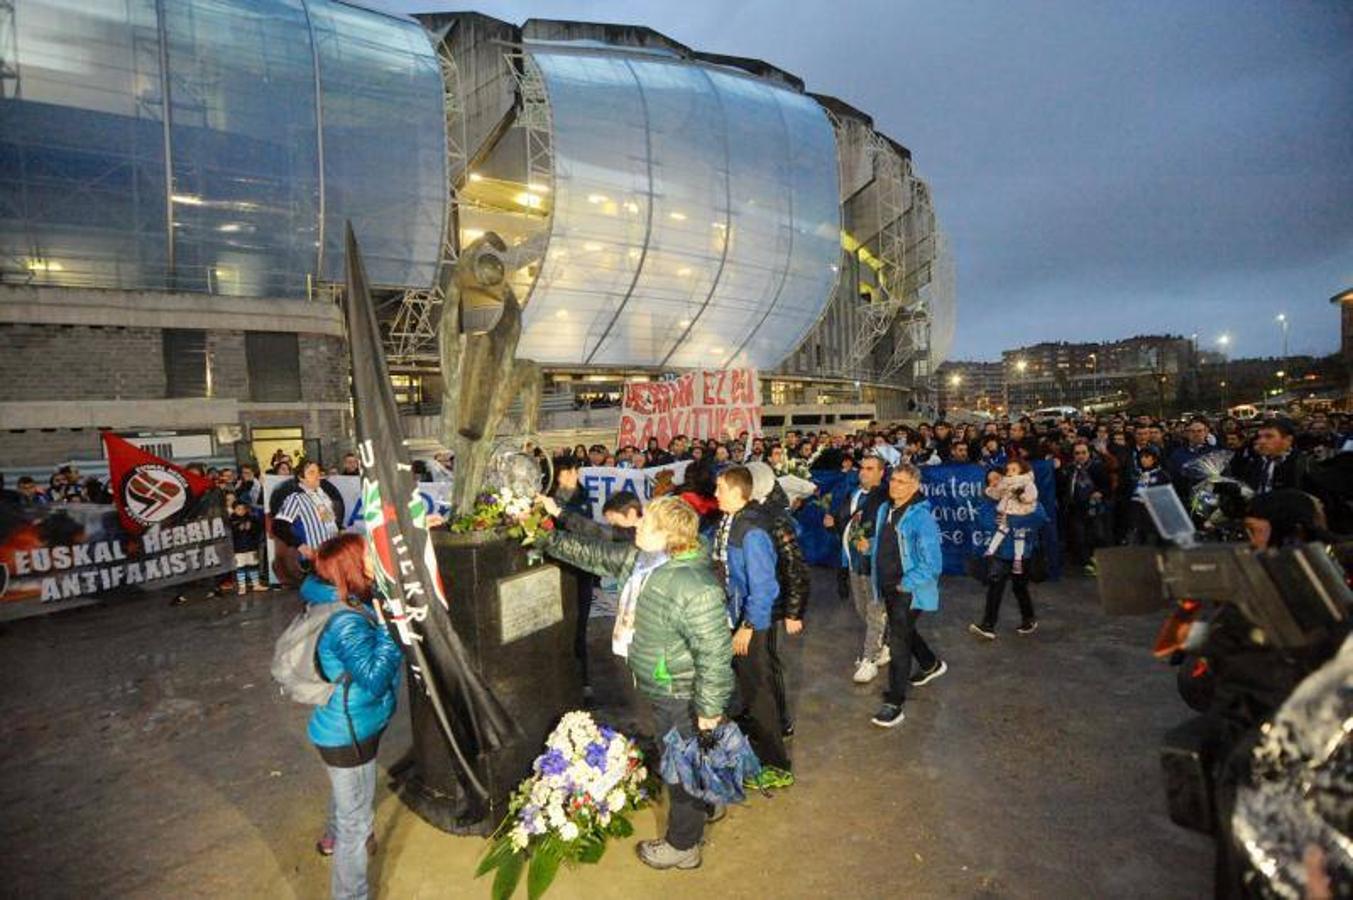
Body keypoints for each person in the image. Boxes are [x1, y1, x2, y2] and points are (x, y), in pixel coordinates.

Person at [534, 496, 733, 871]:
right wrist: (543, 536)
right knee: (688, 757)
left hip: (680, 690)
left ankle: (683, 845)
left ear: (666, 535)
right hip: (661, 683)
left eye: (646, 522)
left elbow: (715, 655)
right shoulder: (646, 561)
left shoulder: (694, 584)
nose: (637, 524)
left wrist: (709, 709)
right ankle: (707, 803)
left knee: (680, 767)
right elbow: (593, 552)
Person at [301, 533, 402, 899]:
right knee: (356, 826)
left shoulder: (343, 597)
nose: (375, 559)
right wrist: (391, 627)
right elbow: (374, 679)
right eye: (368, 555)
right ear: (351, 567)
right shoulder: (347, 621)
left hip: (353, 724)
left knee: (349, 803)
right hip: (348, 733)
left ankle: (333, 835)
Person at [712, 466, 791, 771]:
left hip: (750, 624)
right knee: (747, 688)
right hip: (734, 617)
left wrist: (747, 627)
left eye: (720, 488)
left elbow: (764, 587)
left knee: (758, 691)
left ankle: (776, 764)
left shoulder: (753, 531)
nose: (715, 494)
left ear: (736, 492)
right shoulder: (729, 522)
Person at [868, 462, 946, 728]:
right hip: (889, 586)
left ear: (915, 486)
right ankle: (930, 663)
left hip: (908, 590)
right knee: (905, 631)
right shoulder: (885, 509)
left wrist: (907, 582)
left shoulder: (921, 517)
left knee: (898, 641)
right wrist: (870, 549)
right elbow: (885, 543)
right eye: (893, 480)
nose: (894, 485)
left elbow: (933, 562)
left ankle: (894, 702)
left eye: (901, 482)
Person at [746, 462, 809, 738]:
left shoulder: (775, 518)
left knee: (767, 662)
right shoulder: (747, 513)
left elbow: (794, 566)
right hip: (750, 599)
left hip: (769, 602)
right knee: (752, 663)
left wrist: (793, 611)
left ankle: (780, 720)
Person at [824, 453, 891, 684]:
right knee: (863, 609)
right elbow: (846, 522)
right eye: (862, 467)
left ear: (882, 473)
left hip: (872, 565)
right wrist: (833, 522)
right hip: (852, 562)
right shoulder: (853, 494)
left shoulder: (885, 498)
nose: (864, 471)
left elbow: (889, 532)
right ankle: (882, 645)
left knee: (873, 610)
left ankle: (869, 658)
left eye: (870, 468)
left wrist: (872, 546)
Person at [971, 469, 1049, 639]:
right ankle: (988, 626)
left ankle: (1028, 619)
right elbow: (985, 523)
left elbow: (1040, 519)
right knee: (995, 587)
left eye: (997, 478)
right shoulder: (989, 502)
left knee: (1019, 587)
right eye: (990, 480)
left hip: (1022, 552)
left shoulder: (1025, 496)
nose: (994, 482)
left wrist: (1013, 520)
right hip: (1001, 553)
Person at [273, 458, 345, 587]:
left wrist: (339, 530)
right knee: (321, 596)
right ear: (301, 478)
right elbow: (278, 526)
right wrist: (300, 546)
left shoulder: (322, 495)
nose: (317, 476)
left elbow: (328, 522)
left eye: (318, 472)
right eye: (311, 473)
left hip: (332, 554)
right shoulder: (296, 498)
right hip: (315, 557)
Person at [228, 498, 267, 594]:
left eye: (243, 509)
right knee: (240, 567)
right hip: (238, 549)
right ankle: (242, 587)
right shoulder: (230, 521)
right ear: (234, 509)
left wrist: (252, 528)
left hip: (251, 547)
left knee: (253, 565)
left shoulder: (252, 518)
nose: (241, 511)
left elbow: (259, 529)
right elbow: (229, 535)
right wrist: (237, 529)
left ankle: (256, 584)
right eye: (238, 509)